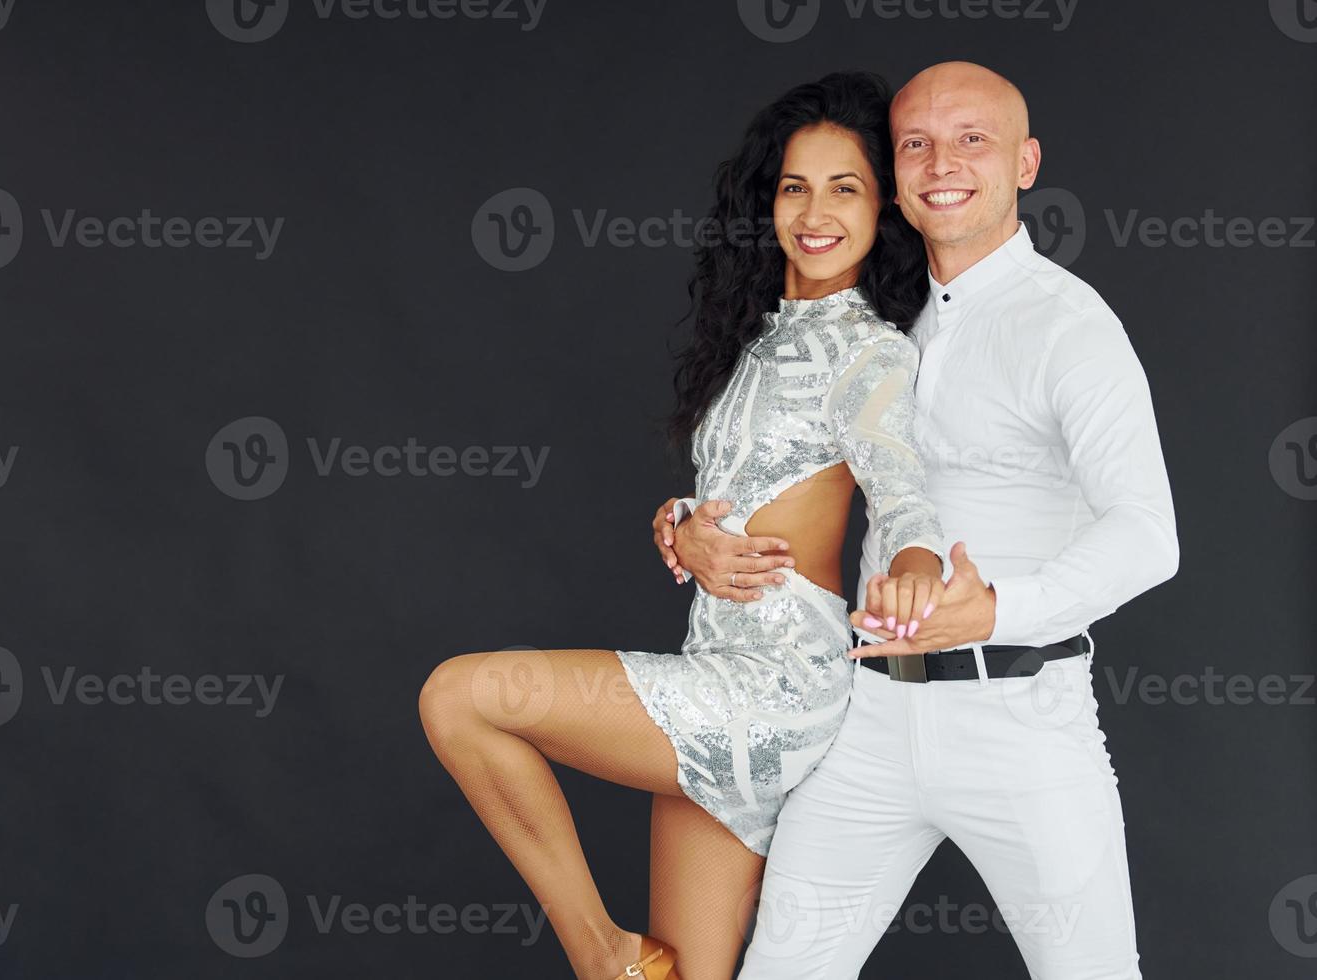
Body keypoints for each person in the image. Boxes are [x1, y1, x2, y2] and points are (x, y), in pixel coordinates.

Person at [419, 71, 946, 980]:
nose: (815, 212)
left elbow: (900, 485)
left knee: (459, 696)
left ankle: (605, 958)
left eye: (845, 188)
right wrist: (678, 527)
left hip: (774, 688)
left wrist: (917, 557)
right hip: (716, 667)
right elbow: (741, 489)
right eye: (794, 187)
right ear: (767, 202)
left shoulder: (870, 350)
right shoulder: (757, 341)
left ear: (883, 210)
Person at [659, 62, 1178, 979]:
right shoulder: (876, 318)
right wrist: (686, 526)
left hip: (1022, 714)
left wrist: (1000, 609)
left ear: (1026, 162)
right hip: (868, 719)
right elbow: (775, 471)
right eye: (915, 143)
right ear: (896, 174)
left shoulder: (1070, 326)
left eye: (972, 138)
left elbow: (1148, 534)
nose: (942, 161)